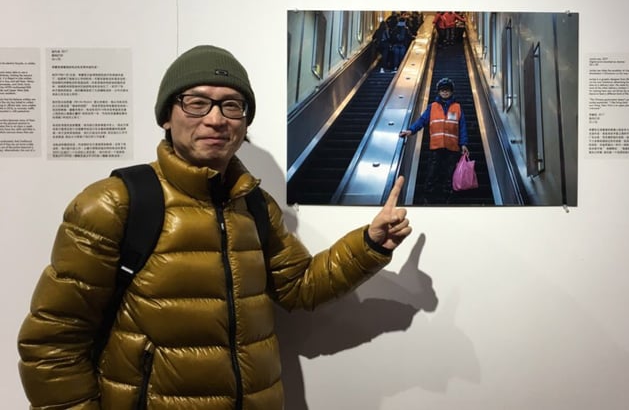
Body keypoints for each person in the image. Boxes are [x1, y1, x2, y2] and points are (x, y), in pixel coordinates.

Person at [17, 45, 412, 409]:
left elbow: (299, 286)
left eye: (231, 105)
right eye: (197, 102)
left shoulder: (253, 204)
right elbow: (52, 343)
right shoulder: (114, 203)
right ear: (167, 117)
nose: (215, 119)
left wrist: (369, 244)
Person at [399, 77, 469, 203]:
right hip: (436, 146)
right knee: (432, 172)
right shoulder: (432, 107)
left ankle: (449, 197)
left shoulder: (457, 107)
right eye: (442, 90)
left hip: (452, 147)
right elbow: (422, 120)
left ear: (451, 92)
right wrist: (411, 130)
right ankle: (428, 197)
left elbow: (462, 126)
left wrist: (463, 143)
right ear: (439, 92)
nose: (445, 93)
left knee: (450, 173)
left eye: (447, 90)